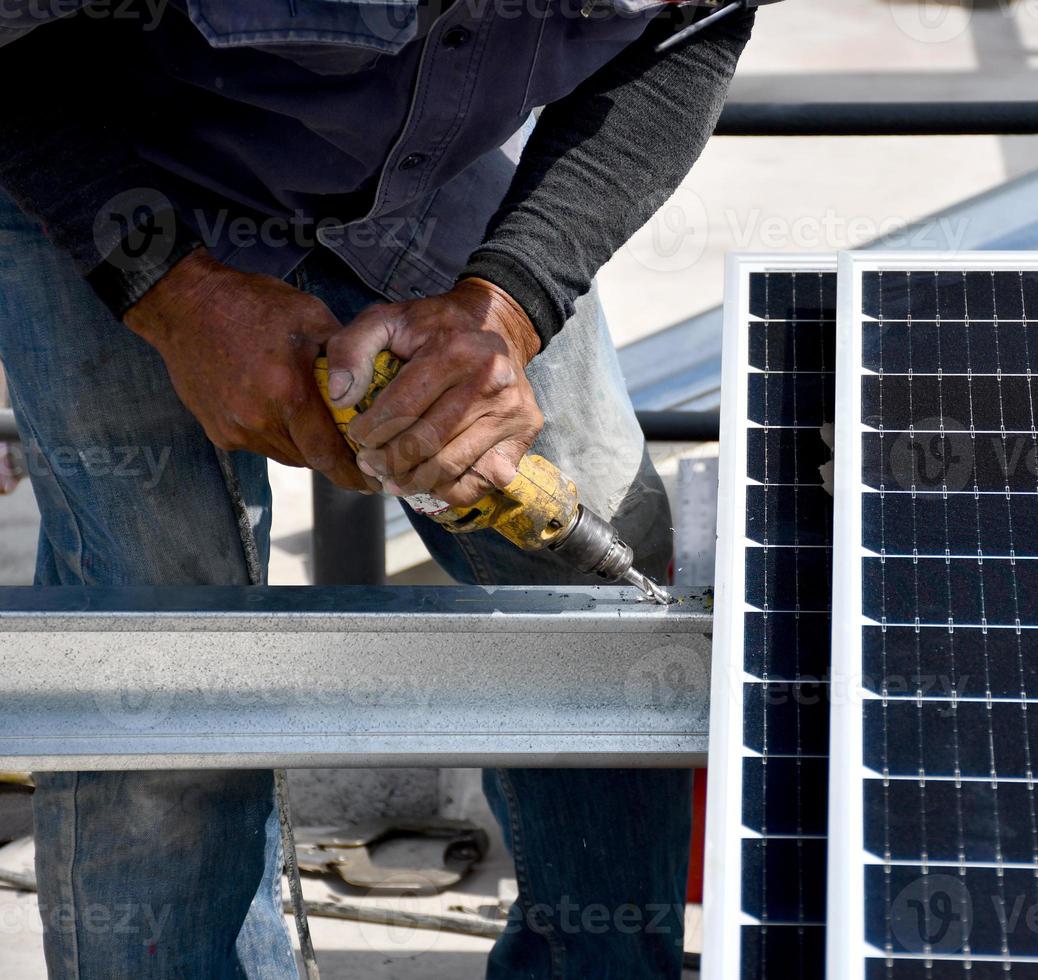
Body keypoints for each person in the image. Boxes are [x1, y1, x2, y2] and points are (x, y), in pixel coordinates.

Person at [0, 1, 755, 976]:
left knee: (598, 587)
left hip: (430, 171)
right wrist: (168, 289)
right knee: (157, 626)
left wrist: (511, 303)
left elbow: (698, 21)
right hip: (105, 163)